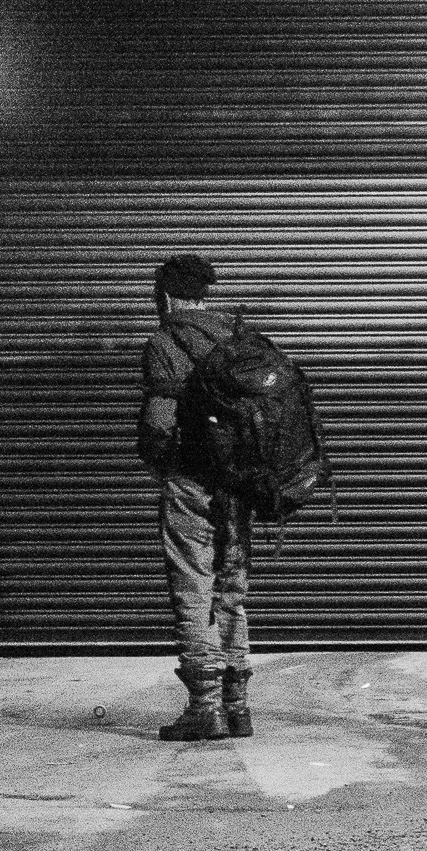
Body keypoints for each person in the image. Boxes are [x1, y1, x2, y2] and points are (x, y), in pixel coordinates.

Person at [137, 251, 254, 741]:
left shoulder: (166, 341)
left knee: (193, 584)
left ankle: (203, 707)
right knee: (232, 588)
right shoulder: (237, 339)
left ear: (164, 295)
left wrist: (159, 463)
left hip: (191, 480)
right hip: (239, 484)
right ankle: (238, 706)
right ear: (205, 293)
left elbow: (160, 422)